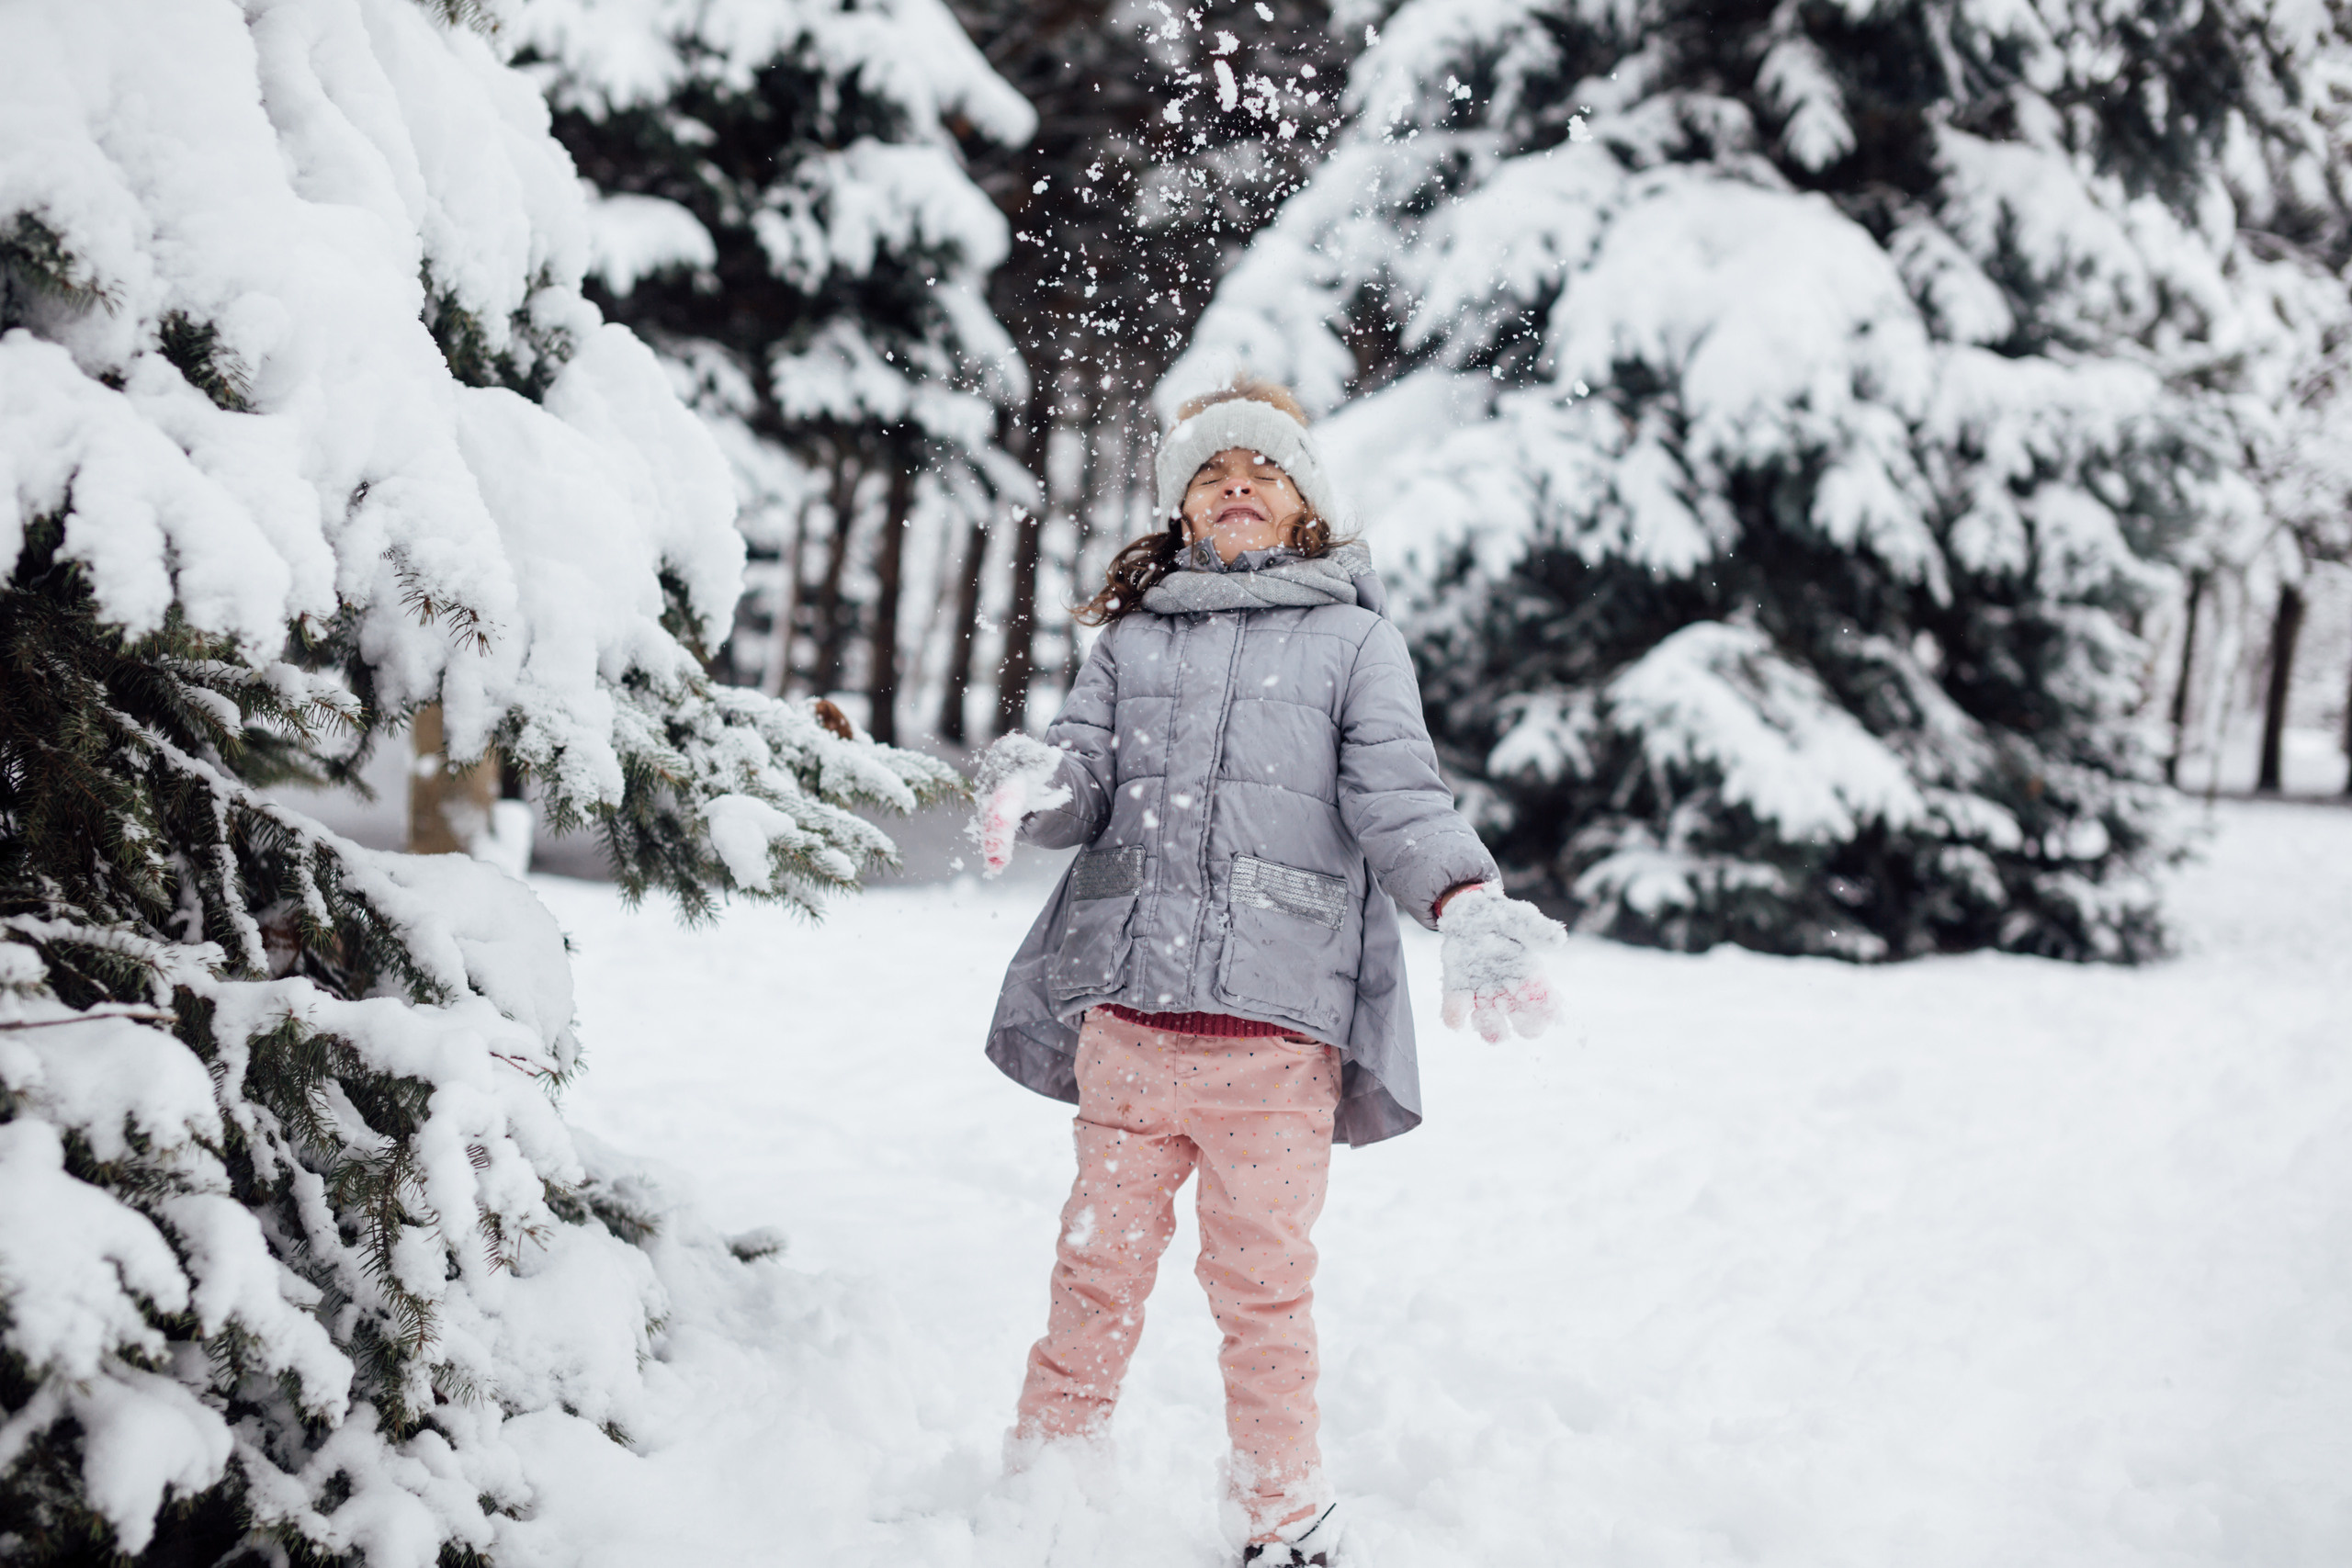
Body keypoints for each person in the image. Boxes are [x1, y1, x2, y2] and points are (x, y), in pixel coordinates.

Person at [970, 374, 1566, 1567]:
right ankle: (1045, 1486)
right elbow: (1084, 776)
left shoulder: (1354, 639)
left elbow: (1397, 797)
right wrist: (1036, 787)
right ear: (1182, 511)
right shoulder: (1133, 638)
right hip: (1128, 1023)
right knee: (1093, 1269)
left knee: (1262, 1292)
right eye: (1208, 472)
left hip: (1274, 1037)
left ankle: (1282, 1520)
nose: (1234, 484)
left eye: (1262, 470)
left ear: (1307, 507)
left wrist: (1465, 895)